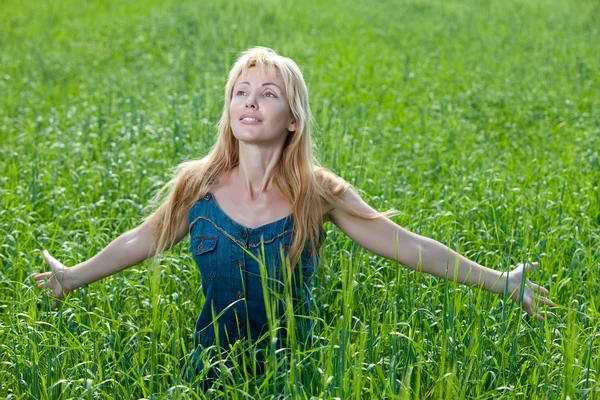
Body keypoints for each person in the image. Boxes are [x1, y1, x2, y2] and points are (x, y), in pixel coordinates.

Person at [34, 46, 555, 389]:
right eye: (241, 93)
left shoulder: (318, 193)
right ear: (229, 109)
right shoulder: (199, 185)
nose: (250, 103)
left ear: (292, 118)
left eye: (268, 94)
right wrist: (71, 277)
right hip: (209, 376)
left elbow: (407, 245)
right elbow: (142, 239)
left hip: (296, 378)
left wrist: (502, 283)